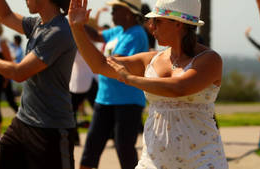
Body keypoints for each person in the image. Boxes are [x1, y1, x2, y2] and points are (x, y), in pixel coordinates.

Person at [69, 0, 229, 168]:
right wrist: (77, 28)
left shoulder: (210, 59)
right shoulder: (151, 59)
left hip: (202, 160)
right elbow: (99, 65)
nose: (151, 26)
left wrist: (130, 79)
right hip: (154, 160)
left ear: (178, 24)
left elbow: (178, 88)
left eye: (157, 21)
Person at [0, 0, 77, 168]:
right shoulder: (38, 24)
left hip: (51, 129)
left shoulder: (59, 31)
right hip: (22, 123)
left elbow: (19, 73)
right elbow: (5, 16)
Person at [74, 0, 149, 168]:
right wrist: (76, 23)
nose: (112, 13)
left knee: (124, 149)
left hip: (128, 101)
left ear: (128, 13)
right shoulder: (119, 31)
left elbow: (114, 63)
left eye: (116, 9)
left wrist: (79, 32)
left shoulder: (136, 34)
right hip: (105, 98)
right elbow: (97, 36)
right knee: (91, 148)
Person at [69, 51, 98, 145]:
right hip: (84, 81)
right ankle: (74, 138)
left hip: (85, 81)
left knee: (101, 110)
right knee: (71, 112)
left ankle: (75, 138)